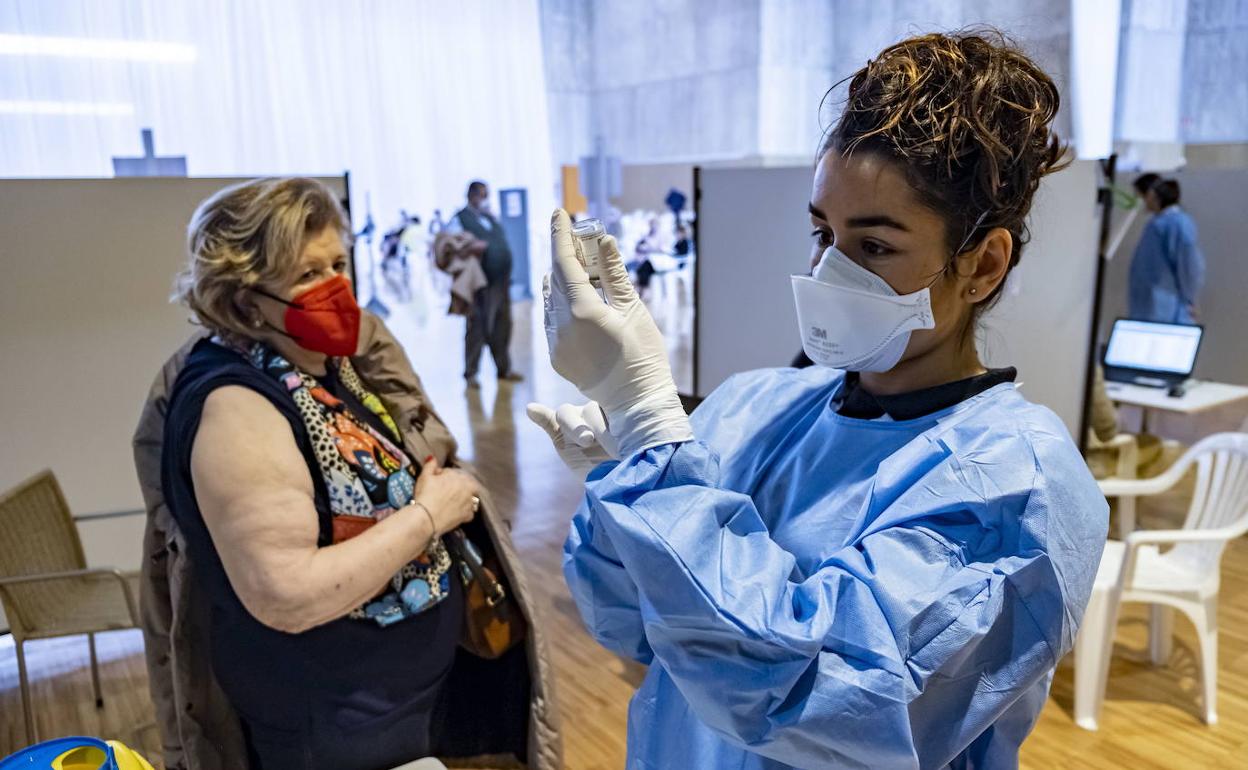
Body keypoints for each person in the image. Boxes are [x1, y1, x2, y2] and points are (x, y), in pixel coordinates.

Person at [529, 31, 1108, 769]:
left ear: (982, 266)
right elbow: (630, 622)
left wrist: (653, 438)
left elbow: (810, 703)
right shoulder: (758, 404)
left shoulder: (1018, 485)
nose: (830, 271)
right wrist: (634, 477)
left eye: (874, 248)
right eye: (821, 233)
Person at [147, 177, 560, 769]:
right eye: (306, 274)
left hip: (396, 704)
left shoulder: (323, 364)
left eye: (338, 263)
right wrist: (428, 517)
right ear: (244, 300)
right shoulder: (236, 408)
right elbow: (284, 593)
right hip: (330, 721)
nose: (335, 286)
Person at [447, 180, 523, 387]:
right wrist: (469, 248)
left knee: (502, 325)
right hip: (479, 284)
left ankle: (503, 369)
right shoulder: (460, 219)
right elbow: (449, 248)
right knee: (478, 327)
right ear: (471, 195)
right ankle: (470, 374)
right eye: (482, 194)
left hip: (501, 282)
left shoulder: (489, 217)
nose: (485, 199)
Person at [1128, 176, 1206, 323]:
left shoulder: (1178, 224)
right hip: (1149, 307)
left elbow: (1189, 267)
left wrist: (1190, 299)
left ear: (1151, 195)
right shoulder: (1156, 224)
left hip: (1168, 310)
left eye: (1140, 195)